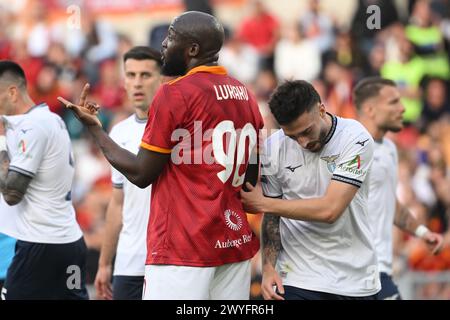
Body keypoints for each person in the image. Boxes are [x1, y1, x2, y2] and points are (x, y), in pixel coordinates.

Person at [58, 11, 264, 300]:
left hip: (183, 249)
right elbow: (251, 181)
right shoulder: (246, 95)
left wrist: (95, 130)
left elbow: (141, 173)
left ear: (193, 50)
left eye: (172, 36)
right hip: (234, 245)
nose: (164, 43)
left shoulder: (174, 93)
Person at [240, 80, 381, 300]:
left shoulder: (356, 139)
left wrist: (263, 203)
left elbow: (330, 210)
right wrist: (268, 268)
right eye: (293, 136)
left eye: (307, 131)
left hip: (354, 280)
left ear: (321, 109)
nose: (303, 142)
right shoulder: (273, 148)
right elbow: (272, 218)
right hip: (298, 278)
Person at [0, 60, 88, 300]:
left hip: (40, 245)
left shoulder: (32, 127)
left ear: (12, 92)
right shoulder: (48, 120)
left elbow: (11, 194)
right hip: (69, 240)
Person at [353, 77, 444, 300]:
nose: (403, 108)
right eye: (393, 102)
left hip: (380, 270)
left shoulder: (390, 149)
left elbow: (389, 202)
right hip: (351, 274)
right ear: (370, 109)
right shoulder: (348, 147)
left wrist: (422, 232)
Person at [93, 46, 162, 300]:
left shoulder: (179, 132)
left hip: (170, 260)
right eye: (131, 75)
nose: (137, 83)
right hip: (128, 260)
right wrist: (104, 263)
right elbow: (117, 203)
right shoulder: (119, 133)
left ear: (162, 79)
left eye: (145, 75)